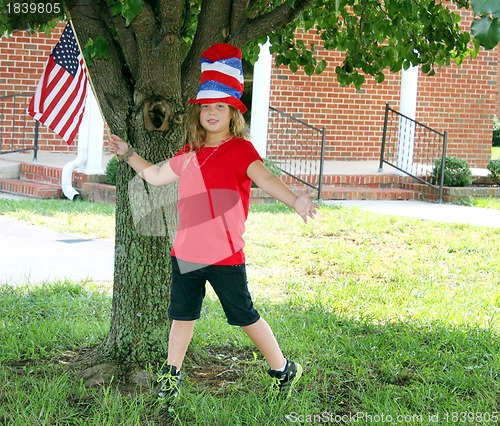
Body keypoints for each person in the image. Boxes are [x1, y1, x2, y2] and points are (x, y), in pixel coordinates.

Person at [108, 43, 318, 400]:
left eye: (220, 105)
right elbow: (156, 176)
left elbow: (265, 179)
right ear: (198, 114)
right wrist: (128, 153)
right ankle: (171, 375)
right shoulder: (189, 154)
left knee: (244, 316)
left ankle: (282, 368)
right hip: (186, 253)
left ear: (233, 113)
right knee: (182, 317)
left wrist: (295, 199)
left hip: (225, 255)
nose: (212, 112)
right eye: (206, 106)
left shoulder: (241, 150)